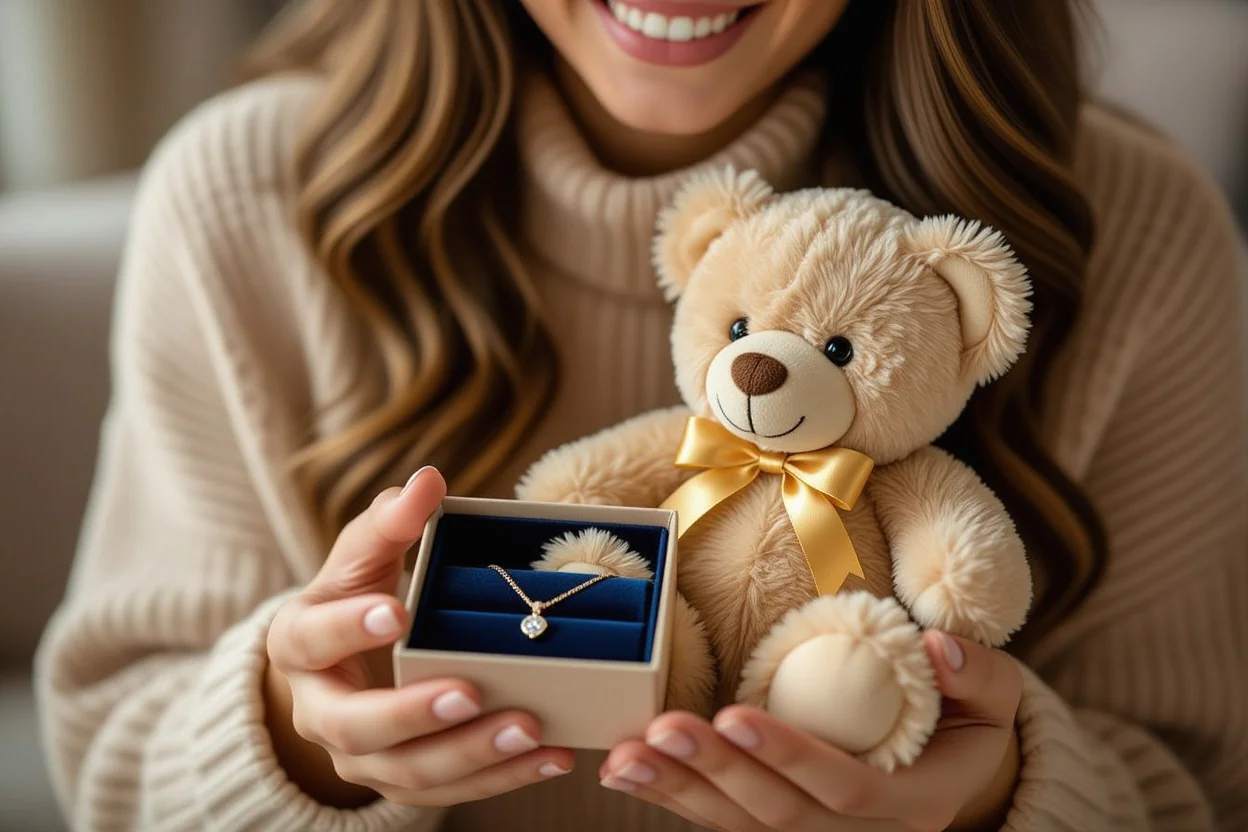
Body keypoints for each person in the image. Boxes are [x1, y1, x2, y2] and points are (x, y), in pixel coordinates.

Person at [34, 0, 1246, 830]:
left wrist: (991, 800)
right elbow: (111, 768)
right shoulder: (243, 199)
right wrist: (305, 736)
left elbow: (1202, 786)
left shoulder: (1133, 233)